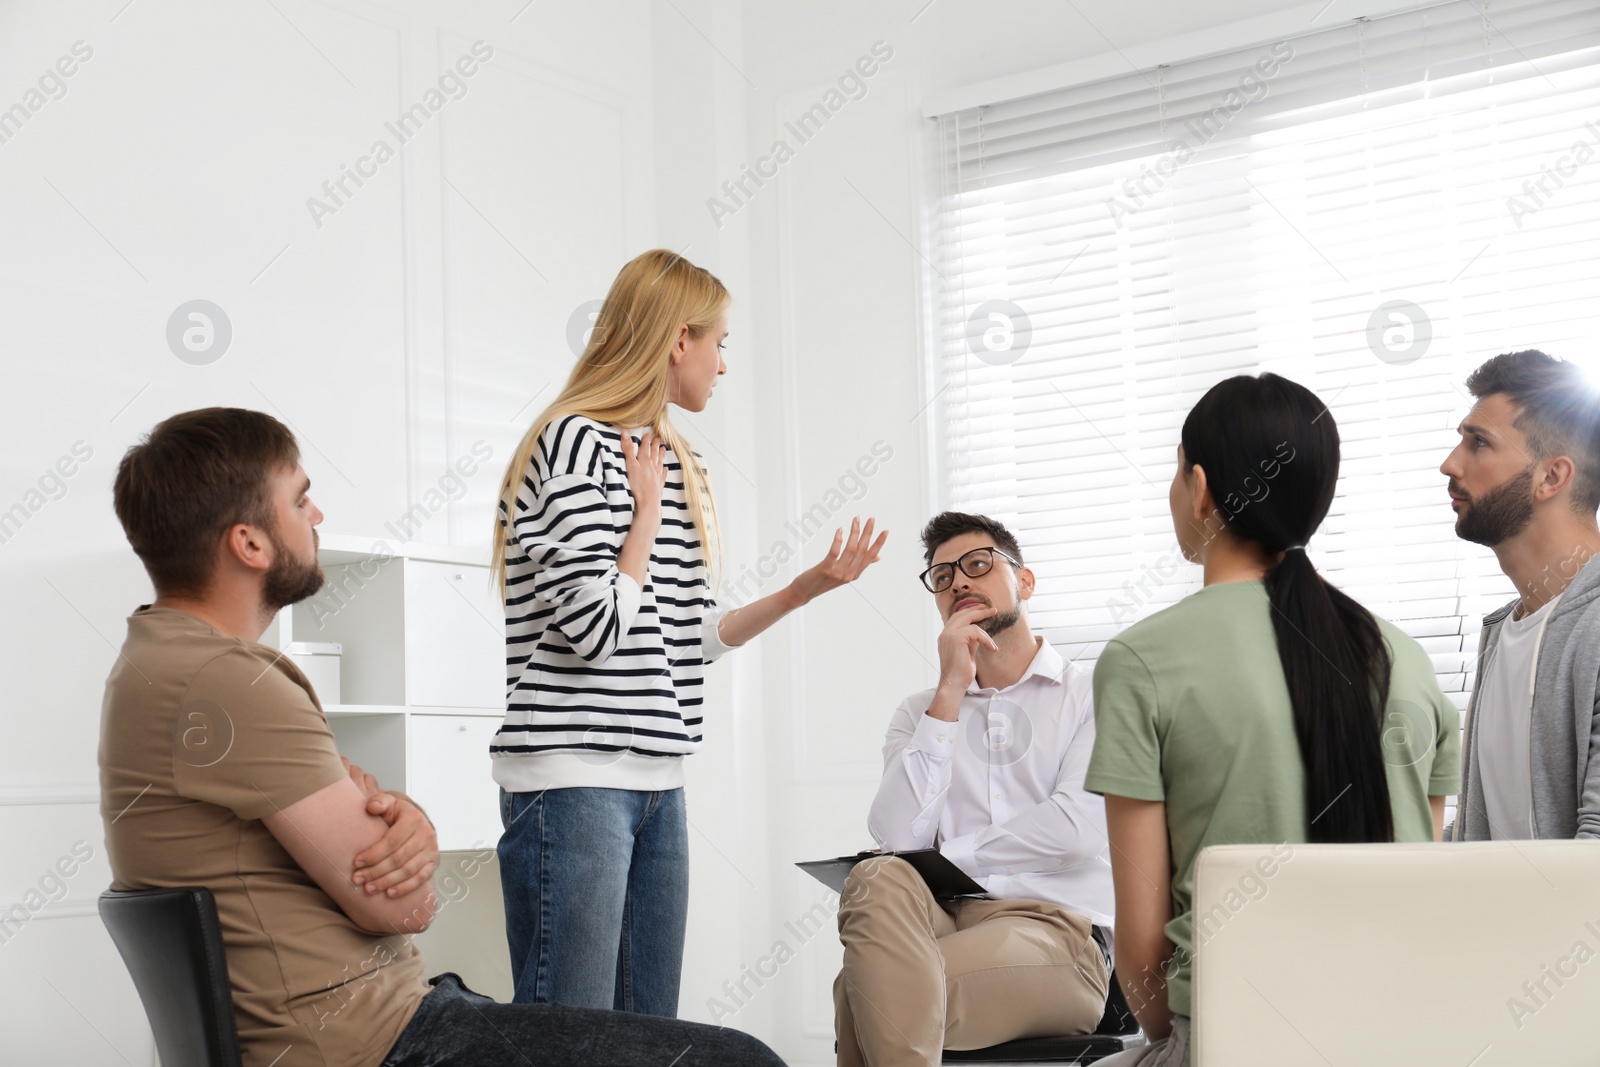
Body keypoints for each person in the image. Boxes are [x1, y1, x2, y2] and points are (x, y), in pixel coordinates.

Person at [100, 407, 787, 1067]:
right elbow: (407, 903)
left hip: (388, 1016)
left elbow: (364, 855)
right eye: (300, 500)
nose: (318, 515)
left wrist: (401, 823)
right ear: (248, 543)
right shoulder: (229, 684)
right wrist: (409, 831)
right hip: (377, 1043)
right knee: (744, 1059)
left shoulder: (159, 661)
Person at [490, 248, 888, 1015]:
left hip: (656, 782)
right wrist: (643, 515)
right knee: (567, 1041)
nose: (724, 364)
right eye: (721, 343)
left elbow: (677, 638)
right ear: (680, 340)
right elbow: (598, 629)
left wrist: (807, 587)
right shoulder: (574, 443)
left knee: (648, 1037)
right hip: (574, 779)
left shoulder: (675, 458)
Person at [1085, 374, 1461, 1067]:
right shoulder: (1405, 657)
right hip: (1411, 1035)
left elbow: (1142, 957)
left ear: (1199, 488)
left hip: (1237, 1039)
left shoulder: (1140, 659)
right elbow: (1419, 874)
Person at [833, 511, 1114, 1066]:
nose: (959, 581)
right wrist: (950, 692)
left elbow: (1076, 830)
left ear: (1024, 582)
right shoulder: (919, 711)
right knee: (876, 874)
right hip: (938, 922)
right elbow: (895, 836)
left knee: (857, 991)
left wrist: (950, 858)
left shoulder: (1094, 693)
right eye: (942, 577)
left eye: (978, 565)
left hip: (1058, 934)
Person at [1441, 350, 1600, 840]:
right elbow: (1490, 839)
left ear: (1551, 477)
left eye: (1479, 443)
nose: (1449, 465)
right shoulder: (1502, 633)